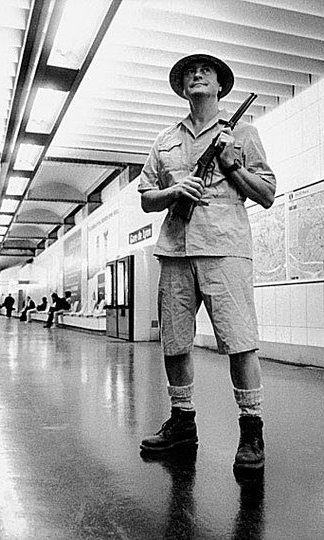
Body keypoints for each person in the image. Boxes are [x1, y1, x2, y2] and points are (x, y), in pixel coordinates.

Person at [137, 52, 276, 473]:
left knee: (239, 340)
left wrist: (232, 168)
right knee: (174, 341)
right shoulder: (165, 140)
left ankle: (251, 431)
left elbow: (267, 193)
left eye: (206, 71)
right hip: (176, 250)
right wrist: (174, 191)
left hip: (224, 248)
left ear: (219, 86)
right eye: (189, 73)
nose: (197, 75)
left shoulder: (243, 133)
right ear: (182, 88)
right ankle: (182, 422)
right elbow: (146, 197)